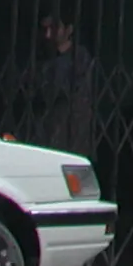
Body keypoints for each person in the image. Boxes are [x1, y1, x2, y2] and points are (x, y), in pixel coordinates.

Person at [33, 12, 96, 158]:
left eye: (54, 28)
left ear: (69, 30)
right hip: (44, 140)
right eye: (44, 29)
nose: (48, 35)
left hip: (71, 141)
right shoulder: (40, 59)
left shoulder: (80, 59)